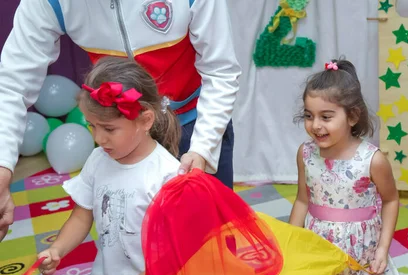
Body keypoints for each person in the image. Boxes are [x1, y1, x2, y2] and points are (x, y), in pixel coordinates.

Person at [0, 0, 241, 241]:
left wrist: (202, 147)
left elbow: (220, 71)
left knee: (211, 241)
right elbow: (12, 84)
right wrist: (2, 167)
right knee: (138, 242)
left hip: (196, 123)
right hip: (124, 138)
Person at [289, 58, 408, 275]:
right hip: (319, 254)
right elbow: (302, 199)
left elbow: (390, 201)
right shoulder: (306, 154)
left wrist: (383, 249)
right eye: (309, 116)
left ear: (353, 116)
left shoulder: (372, 160)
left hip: (360, 256)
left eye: (326, 116)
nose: (315, 125)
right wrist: (292, 244)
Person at [37, 57, 182, 275]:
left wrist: (151, 274)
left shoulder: (167, 174)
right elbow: (82, 215)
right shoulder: (97, 160)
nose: (99, 138)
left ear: (145, 120)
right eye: (92, 127)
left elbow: (178, 240)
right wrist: (58, 248)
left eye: (109, 129)